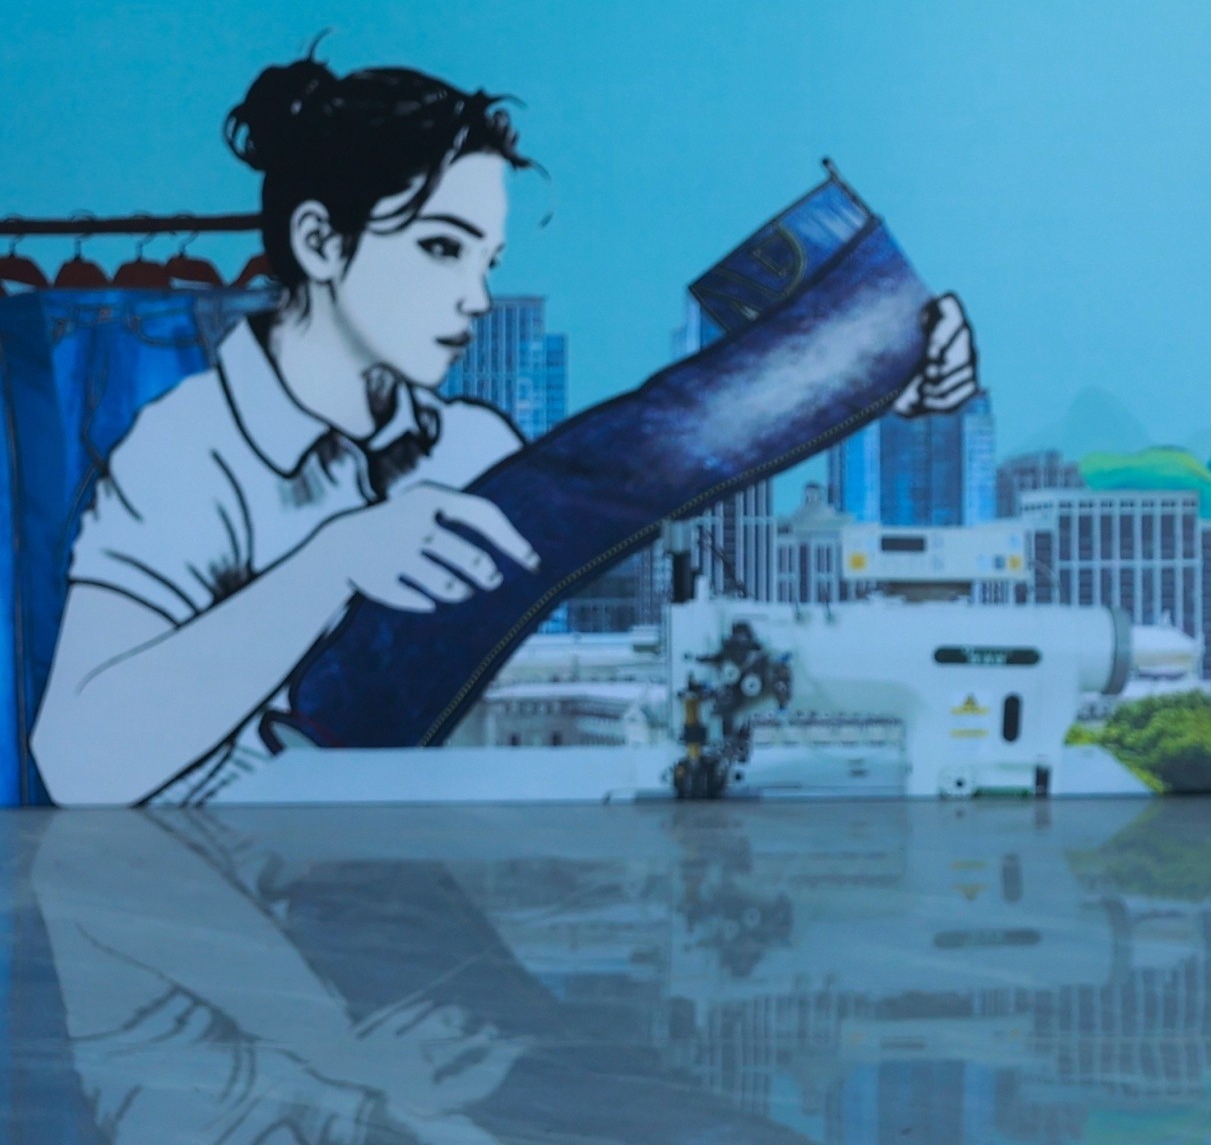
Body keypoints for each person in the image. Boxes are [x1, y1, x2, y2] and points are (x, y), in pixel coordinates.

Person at [28, 50, 976, 806]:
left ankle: (861, 331)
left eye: (486, 260)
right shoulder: (191, 449)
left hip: (374, 884)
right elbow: (76, 762)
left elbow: (646, 501)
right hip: (214, 905)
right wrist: (337, 560)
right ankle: (859, 323)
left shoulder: (467, 448)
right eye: (440, 249)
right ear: (319, 241)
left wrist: (874, 398)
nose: (476, 298)